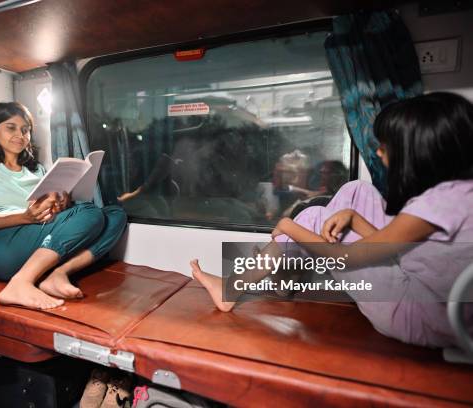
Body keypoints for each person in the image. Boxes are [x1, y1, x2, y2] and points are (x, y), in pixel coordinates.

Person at [191, 92, 473, 347]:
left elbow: (349, 257)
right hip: (435, 307)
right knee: (356, 191)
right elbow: (397, 246)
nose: (378, 152)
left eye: (386, 147)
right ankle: (286, 270)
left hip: (414, 312)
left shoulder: (438, 203)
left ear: (418, 152)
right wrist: (352, 217)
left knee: (312, 216)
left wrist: (290, 225)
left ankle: (234, 287)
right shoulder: (459, 193)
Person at [0, 102, 127, 310]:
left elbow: (43, 211)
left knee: (115, 214)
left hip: (33, 233)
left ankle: (58, 273)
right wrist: (26, 217)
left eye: (25, 130)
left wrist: (62, 205)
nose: (20, 134)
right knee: (90, 212)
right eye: (11, 127)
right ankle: (20, 283)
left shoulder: (37, 169)